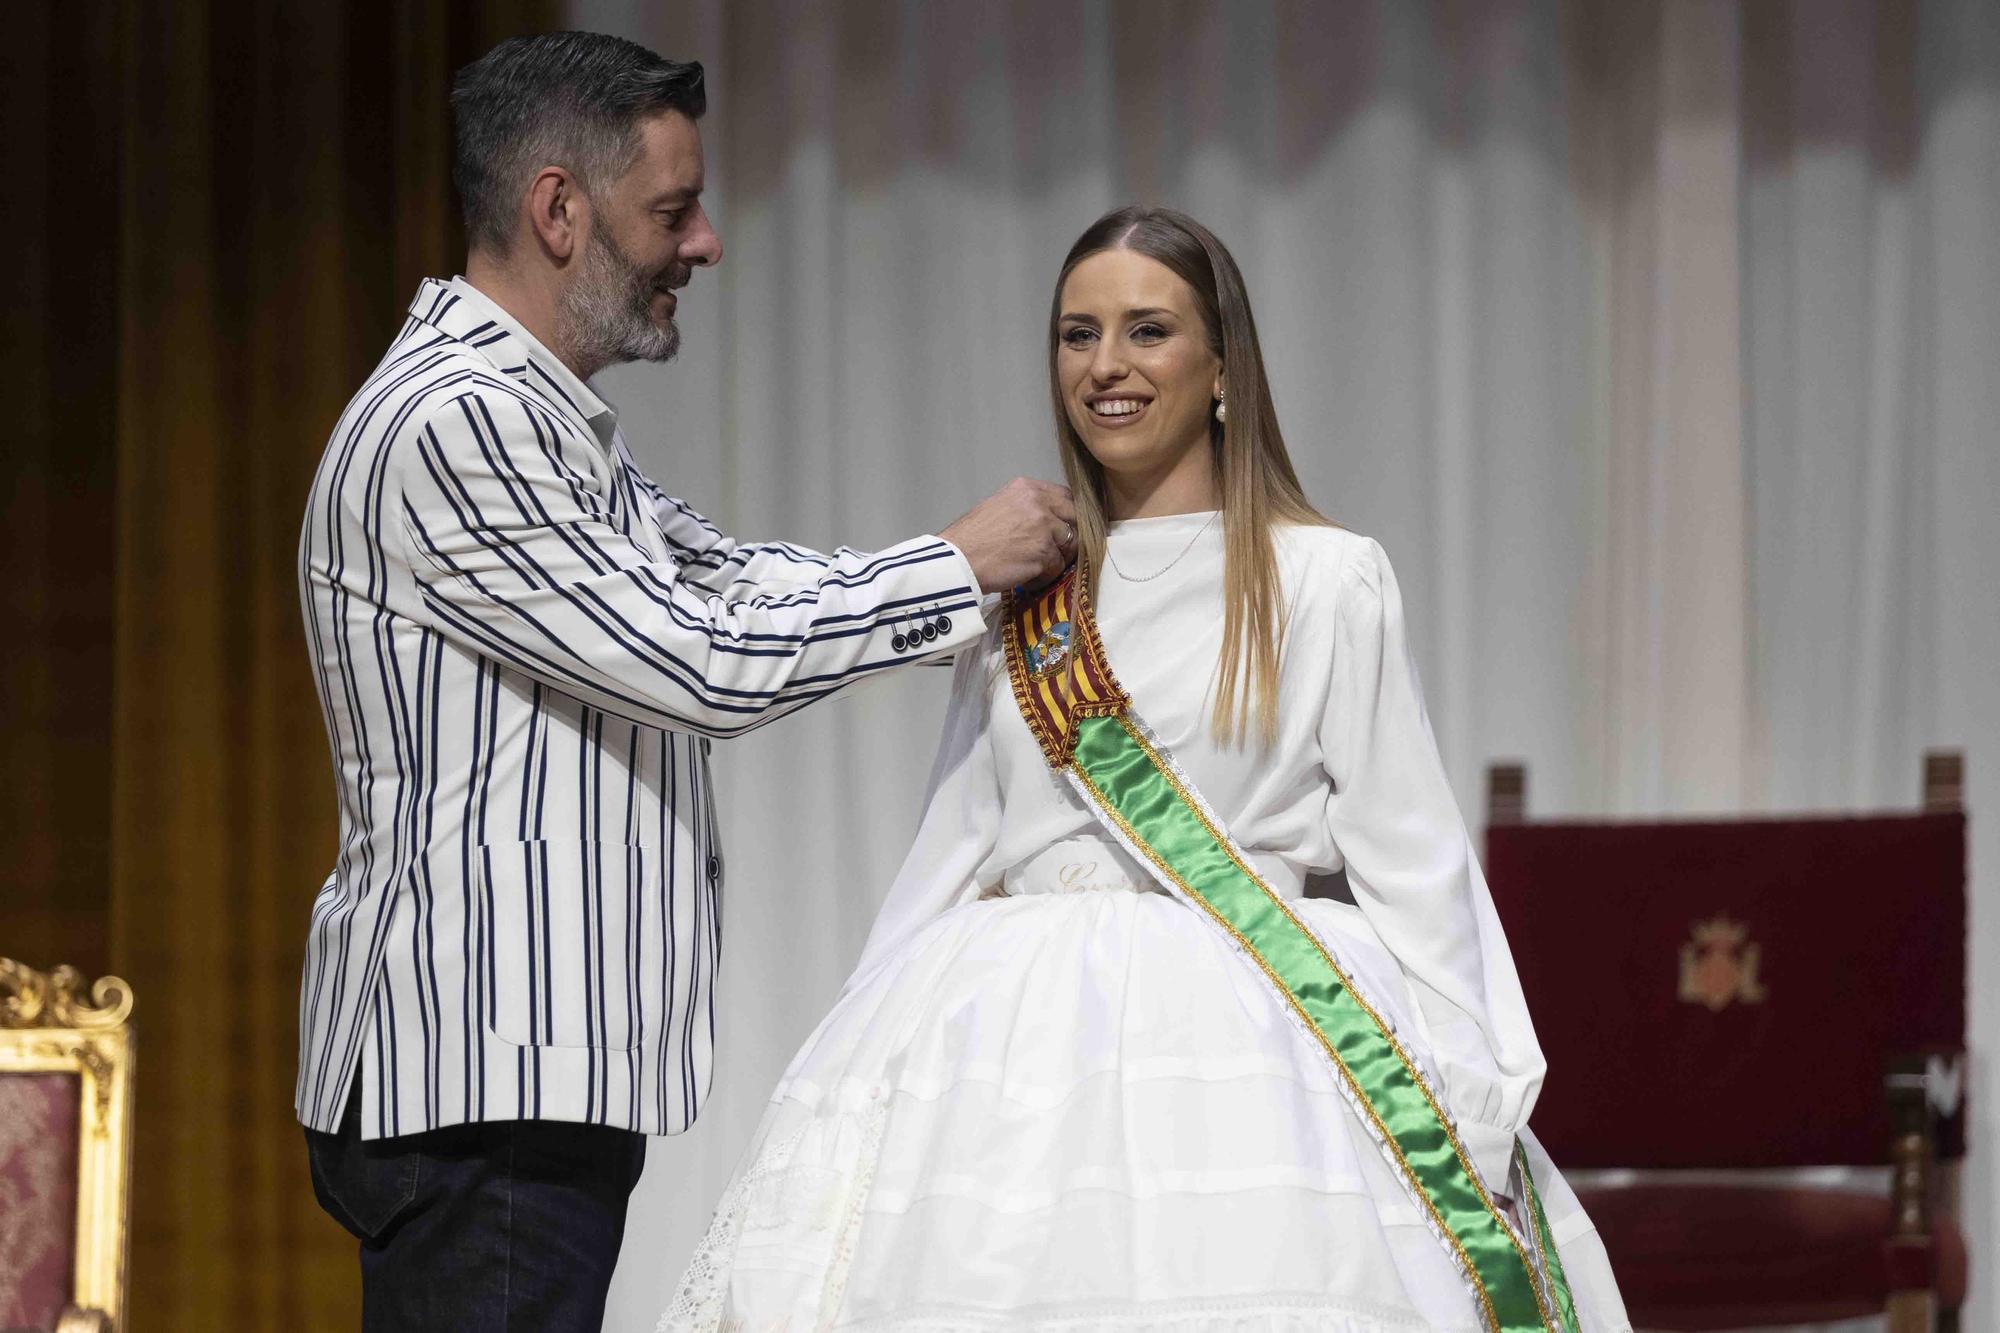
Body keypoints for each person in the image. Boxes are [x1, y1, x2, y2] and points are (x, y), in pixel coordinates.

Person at [660, 206, 1630, 1332]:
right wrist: (846, 1081)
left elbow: (1411, 861)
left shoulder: (1322, 578)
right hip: (1012, 1064)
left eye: (1146, 330)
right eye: (1078, 334)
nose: (1106, 365)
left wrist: (1478, 1090)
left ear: (1221, 365)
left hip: (1255, 1045)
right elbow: (956, 842)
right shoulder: (1027, 591)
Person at [294, 31, 1075, 1333]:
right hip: (484, 1087)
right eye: (672, 209)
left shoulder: (537, 416)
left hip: (523, 1083)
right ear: (559, 209)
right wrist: (953, 566)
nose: (703, 243)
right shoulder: (458, 419)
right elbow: (693, 657)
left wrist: (963, 570)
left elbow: (719, 580)